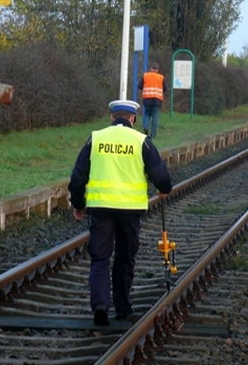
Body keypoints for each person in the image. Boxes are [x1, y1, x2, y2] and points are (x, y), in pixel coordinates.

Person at [68, 99, 172, 326]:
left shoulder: (96, 139)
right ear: (133, 118)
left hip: (101, 209)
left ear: (111, 117)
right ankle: (123, 307)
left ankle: (101, 306)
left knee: (100, 258)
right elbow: (161, 177)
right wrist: (164, 189)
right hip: (130, 211)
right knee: (125, 258)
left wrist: (78, 203)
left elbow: (77, 177)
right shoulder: (141, 141)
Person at [138, 62, 165, 138]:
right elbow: (165, 89)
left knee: (146, 115)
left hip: (147, 99)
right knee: (155, 117)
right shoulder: (161, 77)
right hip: (157, 100)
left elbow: (140, 86)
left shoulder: (145, 76)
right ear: (157, 70)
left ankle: (145, 130)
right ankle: (153, 135)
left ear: (151, 68)